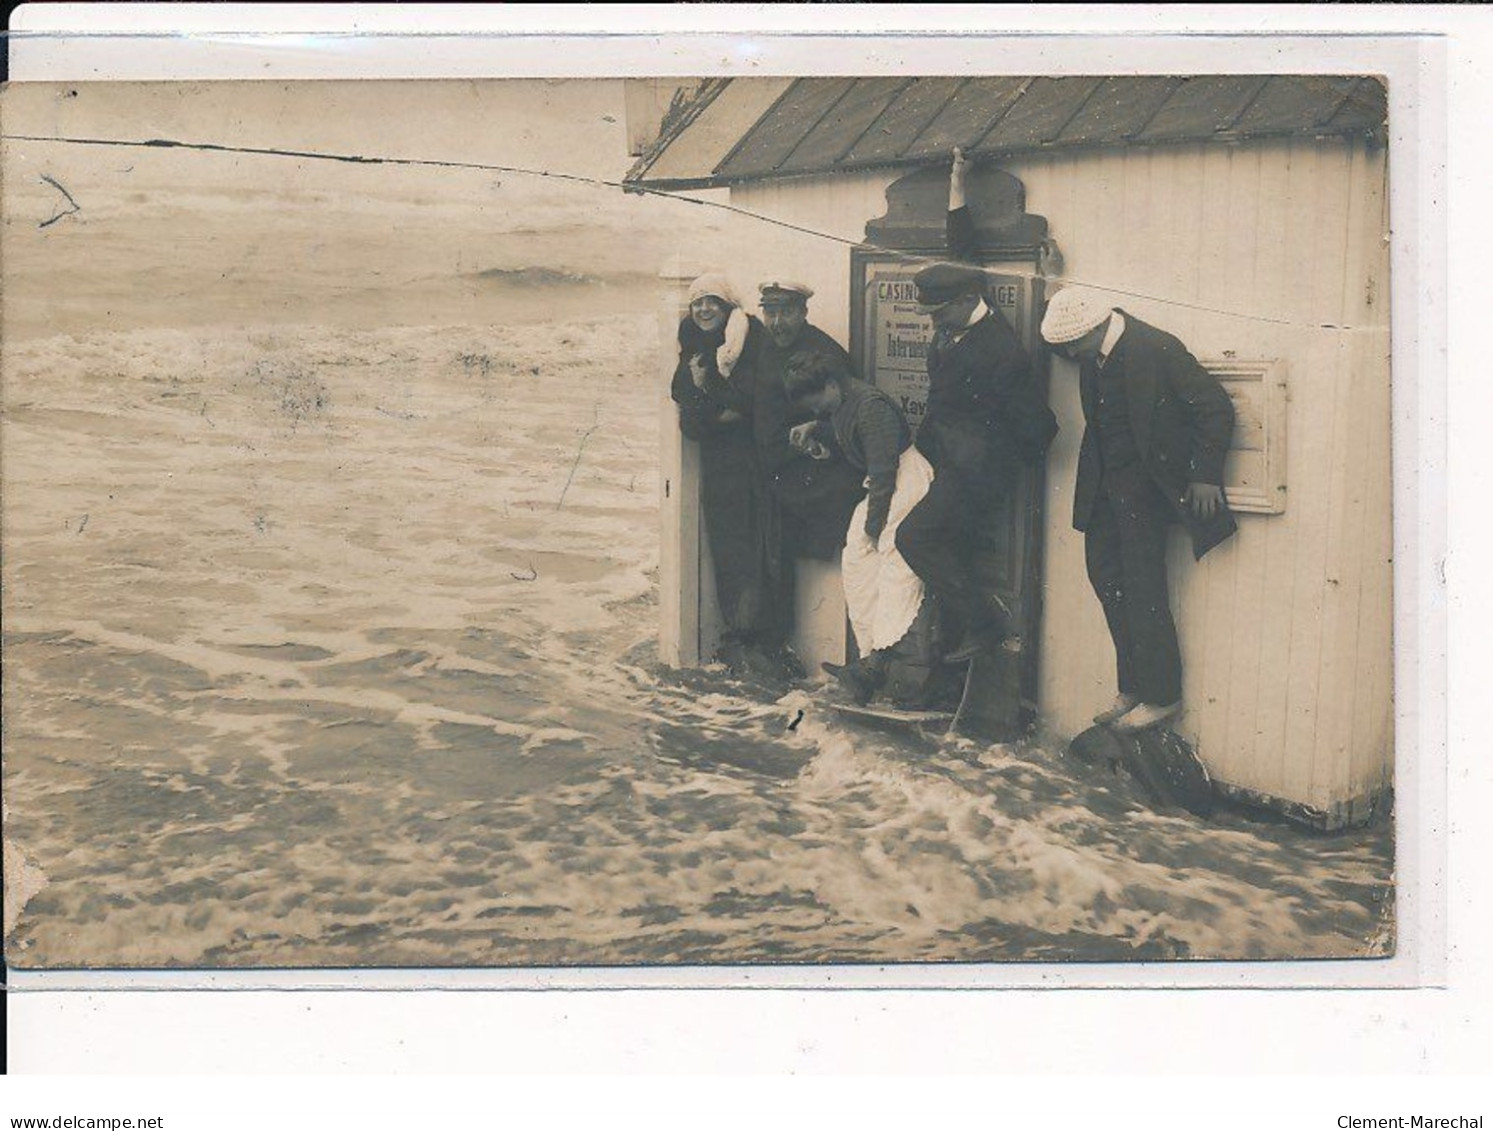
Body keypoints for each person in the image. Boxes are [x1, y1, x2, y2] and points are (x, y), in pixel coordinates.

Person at [1039, 285, 1237, 733]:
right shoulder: (1091, 356)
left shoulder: (1157, 348)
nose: (1069, 354)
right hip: (1106, 491)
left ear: (1096, 327)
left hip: (1148, 493)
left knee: (1145, 589)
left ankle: (1162, 696)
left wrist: (1204, 475)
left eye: (1073, 344)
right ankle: (1132, 687)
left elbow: (1215, 408)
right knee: (1106, 579)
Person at [893, 260, 1056, 665]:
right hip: (944, 459)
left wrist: (993, 456)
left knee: (914, 537)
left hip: (974, 474)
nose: (933, 322)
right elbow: (963, 255)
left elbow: (1037, 426)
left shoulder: (1003, 353)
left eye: (939, 312)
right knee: (953, 555)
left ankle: (984, 627)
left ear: (969, 299)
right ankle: (949, 662)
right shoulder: (961, 313)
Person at [780, 352, 933, 706]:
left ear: (832, 384)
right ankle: (869, 661)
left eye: (817, 403)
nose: (816, 411)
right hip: (887, 487)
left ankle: (883, 665)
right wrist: (816, 431)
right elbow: (841, 427)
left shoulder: (871, 408)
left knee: (896, 572)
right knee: (857, 563)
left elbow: (883, 472)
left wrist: (874, 528)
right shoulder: (842, 402)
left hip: (905, 484)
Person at [669, 273, 784, 676]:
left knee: (752, 545)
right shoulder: (694, 341)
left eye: (712, 302)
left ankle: (755, 636)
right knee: (727, 545)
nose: (704, 310)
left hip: (750, 459)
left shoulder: (748, 341)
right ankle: (740, 632)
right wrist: (708, 404)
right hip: (719, 460)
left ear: (728, 306)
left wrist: (707, 392)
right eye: (698, 302)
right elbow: (686, 400)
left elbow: (749, 404)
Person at [752, 280, 868, 563]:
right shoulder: (763, 346)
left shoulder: (826, 353)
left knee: (790, 563)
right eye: (770, 313)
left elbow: (852, 417)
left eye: (787, 312)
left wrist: (817, 437)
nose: (777, 322)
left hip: (802, 477)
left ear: (804, 312)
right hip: (765, 469)